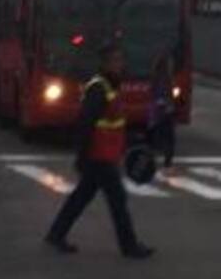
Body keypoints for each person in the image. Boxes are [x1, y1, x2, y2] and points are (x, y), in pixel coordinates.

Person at [44, 43, 154, 259]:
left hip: (104, 155)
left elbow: (114, 123)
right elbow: (85, 124)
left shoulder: (111, 87)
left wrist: (132, 143)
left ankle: (56, 234)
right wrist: (82, 156)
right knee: (118, 200)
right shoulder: (98, 88)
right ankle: (129, 247)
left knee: (81, 197)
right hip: (98, 157)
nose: (121, 64)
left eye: (121, 60)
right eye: (116, 60)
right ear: (105, 63)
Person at [147, 51, 176, 170]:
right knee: (168, 138)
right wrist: (167, 105)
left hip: (158, 112)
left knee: (157, 138)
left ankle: (162, 161)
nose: (171, 65)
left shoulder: (158, 77)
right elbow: (160, 95)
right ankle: (167, 162)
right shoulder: (163, 79)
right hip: (163, 112)